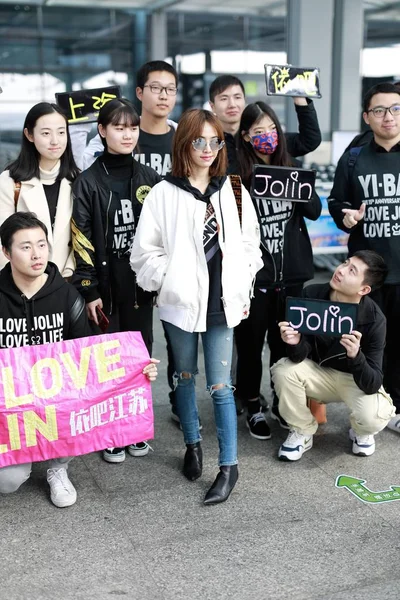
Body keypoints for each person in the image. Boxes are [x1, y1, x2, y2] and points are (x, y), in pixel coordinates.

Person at [130, 109, 263, 505]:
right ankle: (192, 444)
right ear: (183, 144)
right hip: (182, 302)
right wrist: (169, 279)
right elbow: (144, 253)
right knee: (184, 376)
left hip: (223, 301)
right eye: (199, 141)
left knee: (220, 386)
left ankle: (229, 466)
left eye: (215, 142)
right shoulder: (163, 193)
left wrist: (243, 280)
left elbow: (251, 243)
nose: (207, 150)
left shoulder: (234, 189)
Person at [71, 98, 161, 463]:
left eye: (132, 128)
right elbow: (81, 236)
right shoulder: (88, 181)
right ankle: (112, 432)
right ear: (102, 131)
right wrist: (89, 288)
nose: (127, 134)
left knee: (140, 355)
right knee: (108, 360)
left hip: (140, 285)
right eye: (119, 127)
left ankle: (135, 428)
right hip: (106, 287)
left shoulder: (149, 178)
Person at [234, 101, 321, 439]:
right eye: (258, 132)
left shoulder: (292, 165)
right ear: (245, 136)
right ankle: (253, 403)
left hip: (293, 277)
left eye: (271, 129)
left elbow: (314, 210)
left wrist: (297, 185)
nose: (267, 136)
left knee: (286, 345)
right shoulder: (237, 177)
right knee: (251, 344)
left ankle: (284, 402)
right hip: (256, 280)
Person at [271, 251, 395, 460]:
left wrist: (356, 356)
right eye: (345, 263)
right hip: (318, 374)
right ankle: (302, 430)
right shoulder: (311, 295)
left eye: (352, 271)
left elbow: (373, 382)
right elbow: (298, 357)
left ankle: (361, 432)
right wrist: (295, 342)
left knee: (373, 416)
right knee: (283, 370)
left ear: (364, 289)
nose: (341, 270)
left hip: (353, 380)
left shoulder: (374, 319)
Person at [328, 82, 400, 434]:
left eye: (396, 109)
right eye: (380, 110)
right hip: (367, 278)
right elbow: (335, 200)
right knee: (369, 341)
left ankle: (395, 406)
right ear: (366, 117)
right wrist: (346, 216)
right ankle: (368, 409)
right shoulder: (354, 156)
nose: (388, 117)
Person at [0, 102, 79, 277]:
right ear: (29, 135)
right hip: (21, 286)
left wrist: (67, 276)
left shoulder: (78, 180)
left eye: (61, 132)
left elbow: (82, 238)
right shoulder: (10, 182)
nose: (55, 141)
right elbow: (2, 242)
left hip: (66, 284)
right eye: (45, 133)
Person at [71, 60, 179, 175]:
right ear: (139, 93)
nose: (164, 96)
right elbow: (80, 166)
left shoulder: (184, 138)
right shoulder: (116, 135)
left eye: (171, 89)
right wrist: (80, 123)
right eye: (156, 88)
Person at [208, 74, 322, 174]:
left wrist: (300, 99)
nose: (232, 104)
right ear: (212, 106)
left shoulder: (264, 140)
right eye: (224, 99)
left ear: (244, 100)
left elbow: (309, 141)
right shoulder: (209, 146)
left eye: (237, 97)